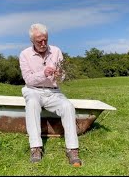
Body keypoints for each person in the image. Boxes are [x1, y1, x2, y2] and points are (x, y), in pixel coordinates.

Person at [19, 23, 82, 167]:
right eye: (39, 41)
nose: (43, 43)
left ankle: (72, 149)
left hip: (53, 92)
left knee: (68, 106)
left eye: (45, 40)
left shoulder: (56, 51)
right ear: (32, 41)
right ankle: (35, 147)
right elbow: (28, 79)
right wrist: (43, 73)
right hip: (33, 90)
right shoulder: (24, 54)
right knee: (33, 104)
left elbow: (62, 76)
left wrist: (61, 75)